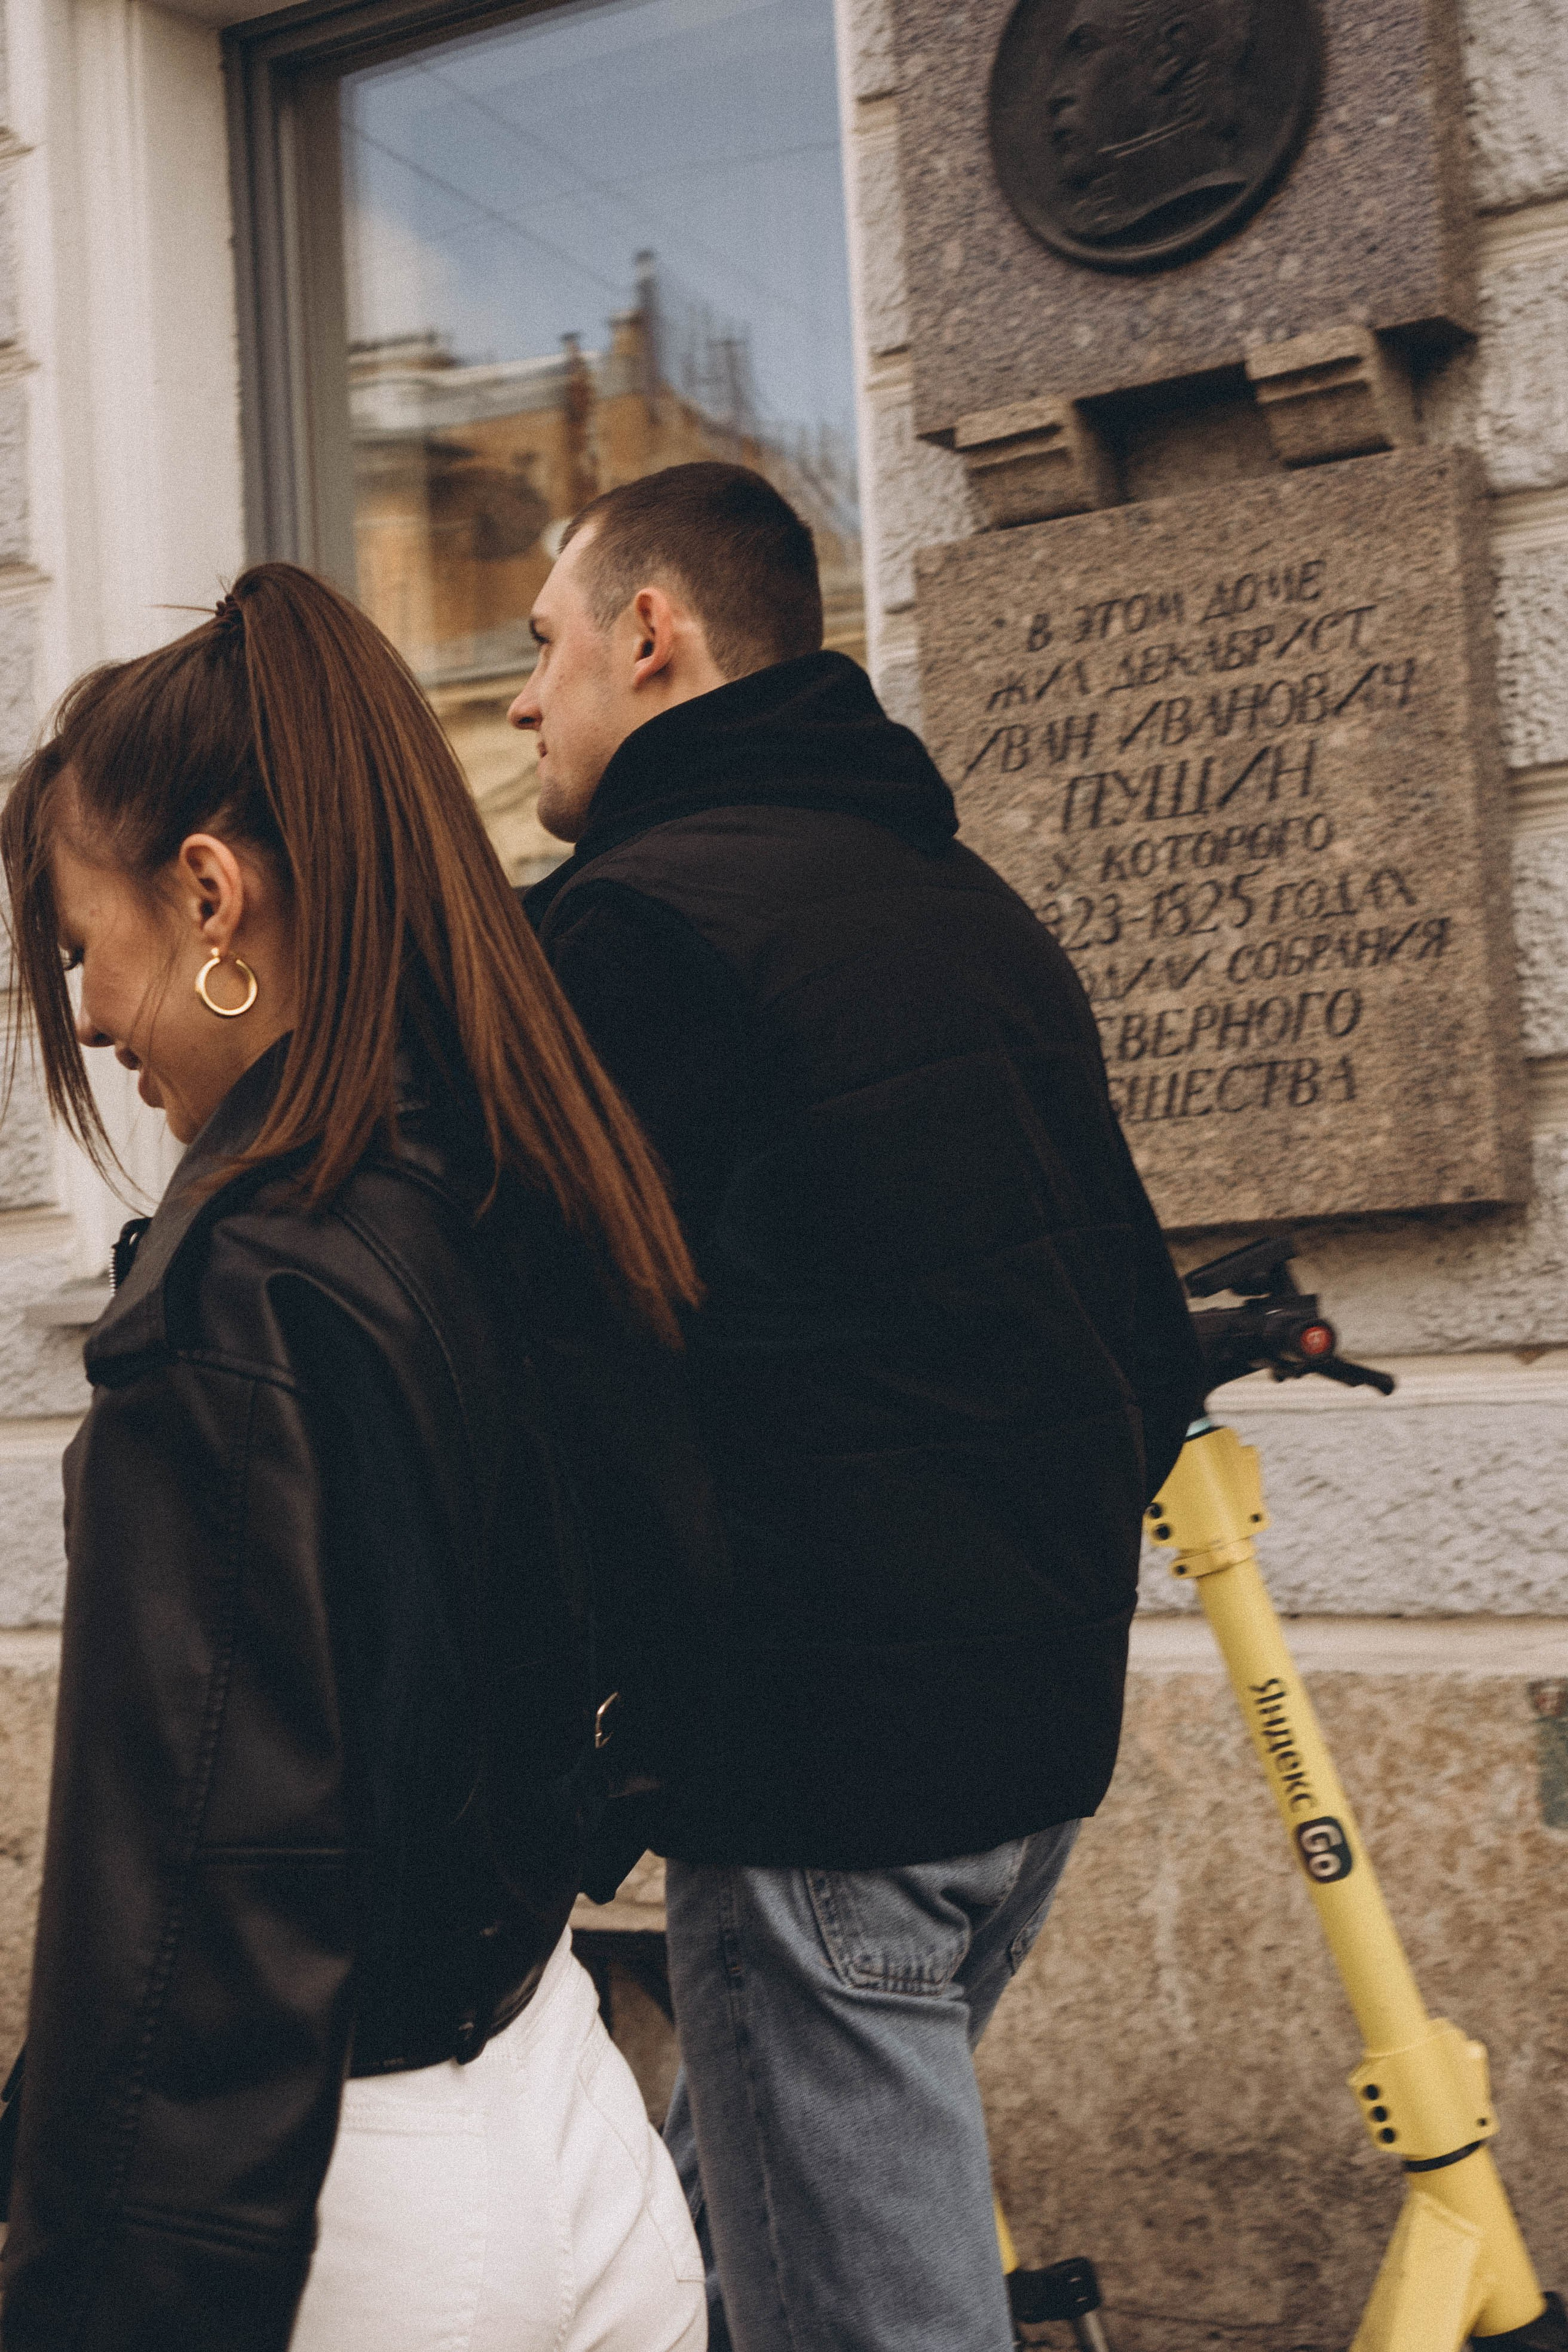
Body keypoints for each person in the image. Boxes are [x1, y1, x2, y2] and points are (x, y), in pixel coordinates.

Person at [513, 461, 1205, 2352]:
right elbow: (1142, 1348)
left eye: (545, 646)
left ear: (651, 636)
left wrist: (611, 1713)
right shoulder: (976, 913)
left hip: (820, 1775)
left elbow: (558, 1388)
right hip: (1024, 1757)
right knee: (703, 2266)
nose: (522, 699)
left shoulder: (636, 930)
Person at [0, 564, 712, 2352]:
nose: (89, 1018)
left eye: (80, 949)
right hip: (581, 2130)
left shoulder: (242, 1297)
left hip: (363, 2220)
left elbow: (199, 1922)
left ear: (211, 895)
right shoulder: (512, 1186)